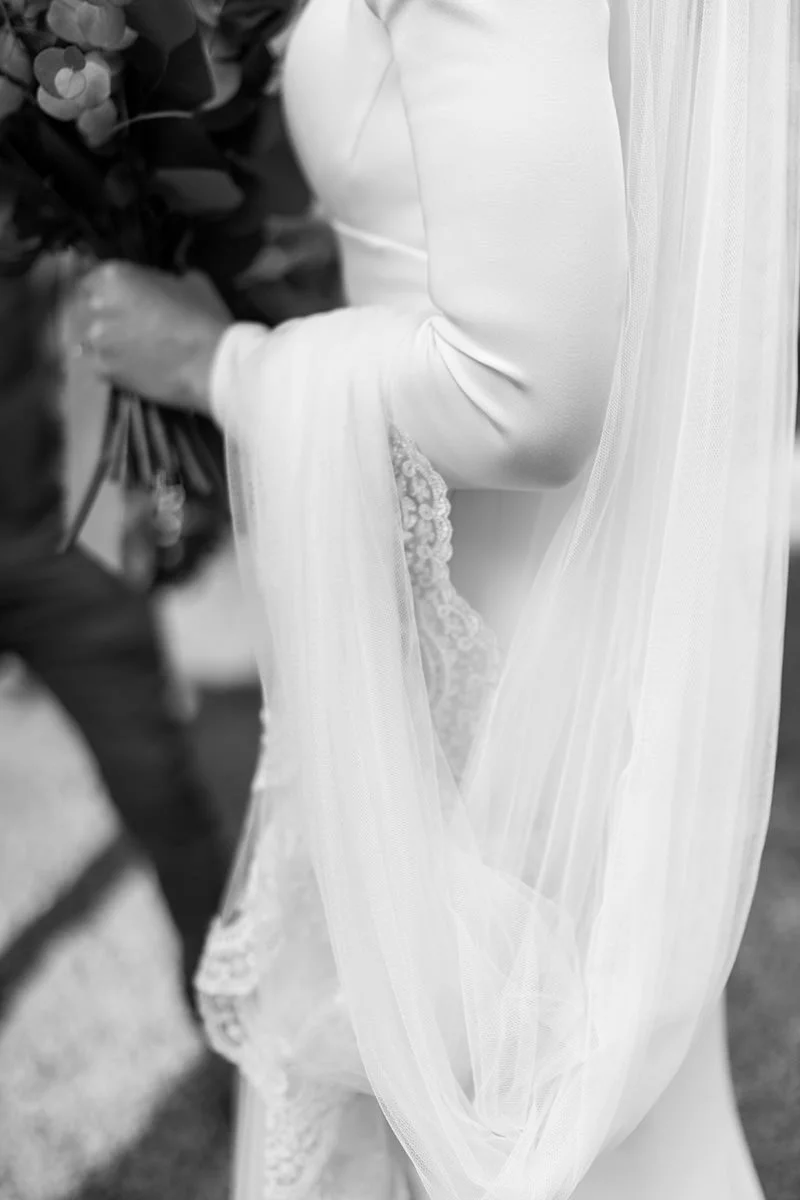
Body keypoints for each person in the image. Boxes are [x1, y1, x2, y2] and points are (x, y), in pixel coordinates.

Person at [73, 0, 800, 1196]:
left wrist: (213, 365)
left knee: (509, 1088)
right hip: (540, 604)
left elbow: (524, 395)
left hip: (501, 650)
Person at [0, 266, 228, 1019]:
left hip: (57, 537)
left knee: (164, 792)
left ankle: (235, 1039)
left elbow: (79, 281)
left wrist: (112, 508)